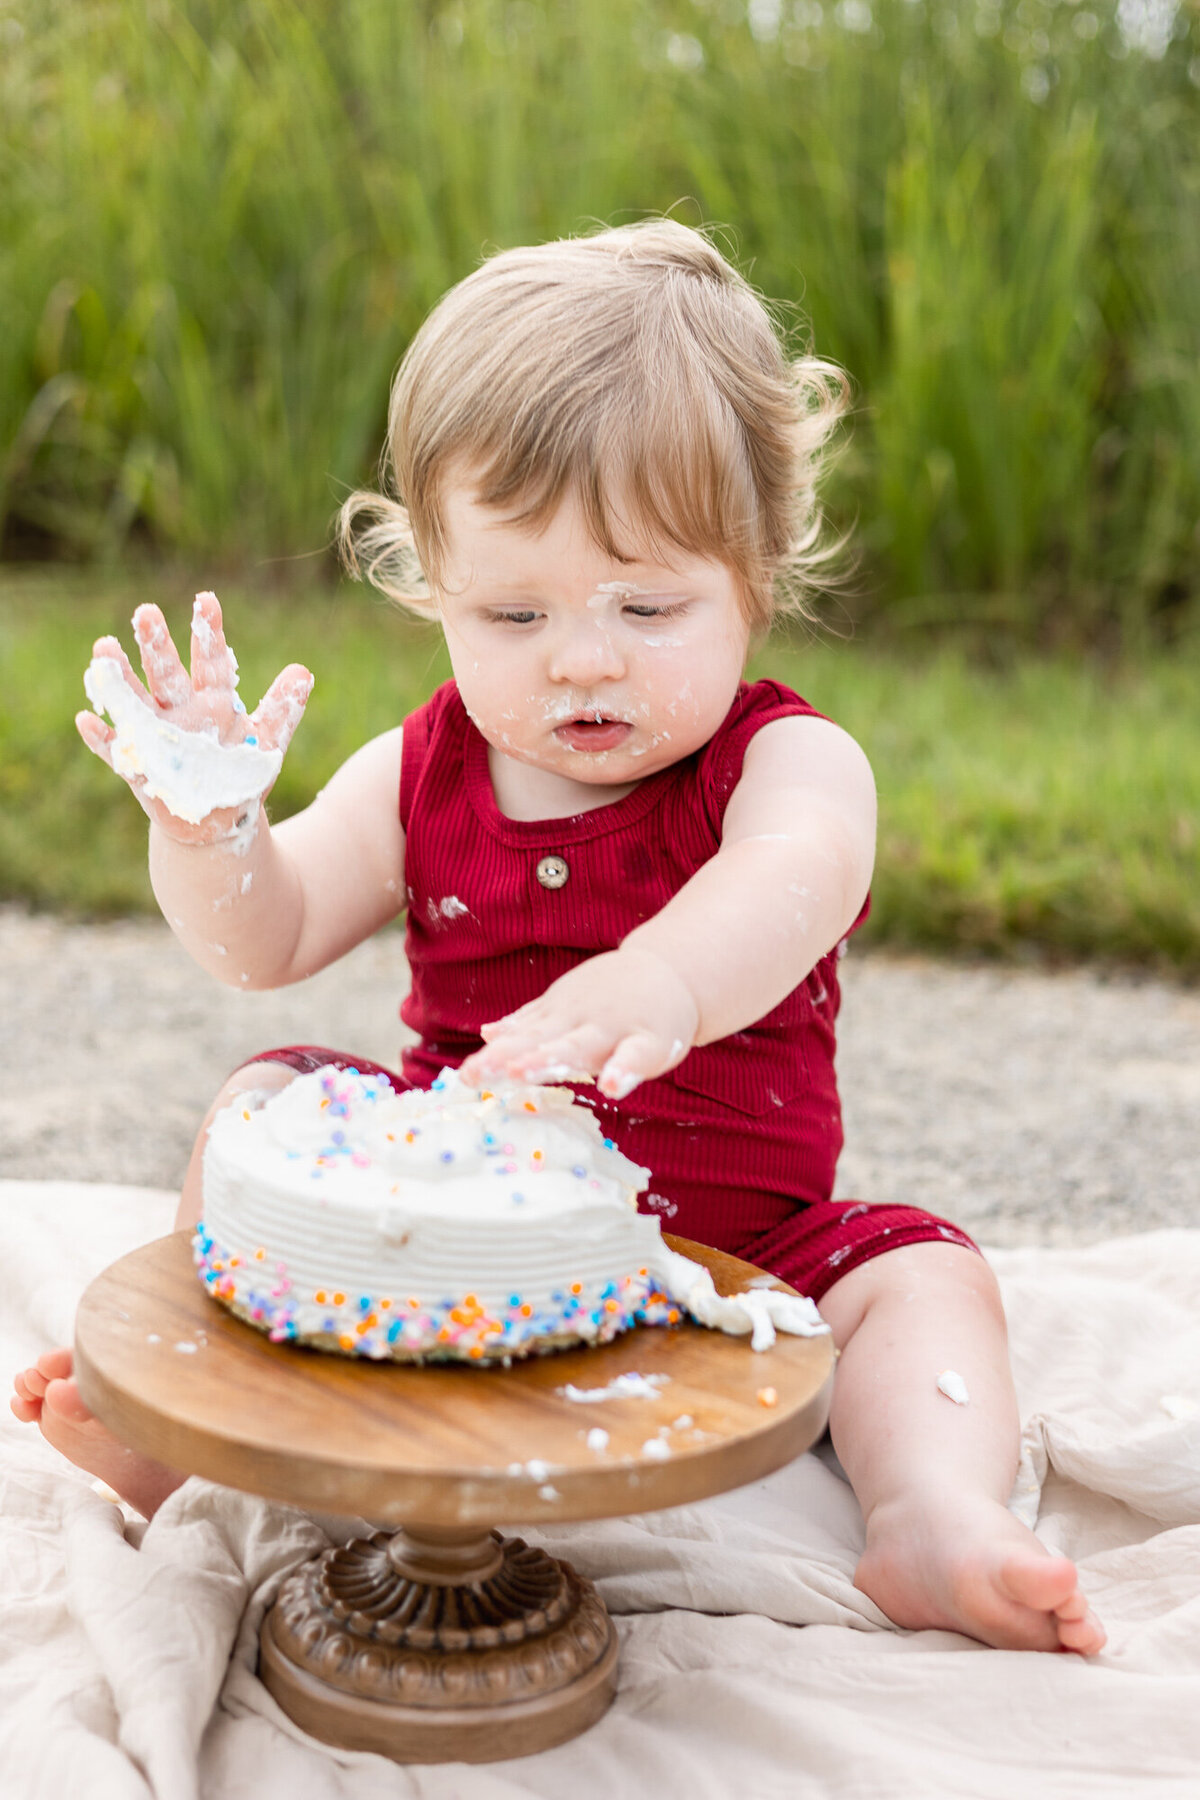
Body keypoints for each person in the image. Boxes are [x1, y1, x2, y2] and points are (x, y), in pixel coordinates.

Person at [12, 219, 1103, 1654]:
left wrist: (660, 975)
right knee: (264, 1098)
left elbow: (801, 877)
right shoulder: (426, 770)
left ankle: (931, 1515)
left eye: (647, 605)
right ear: (428, 584)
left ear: (759, 574)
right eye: (513, 611)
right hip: (449, 1230)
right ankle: (178, 1429)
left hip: (734, 1249)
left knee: (929, 1277)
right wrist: (210, 827)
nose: (581, 657)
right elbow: (262, 941)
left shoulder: (785, 765)